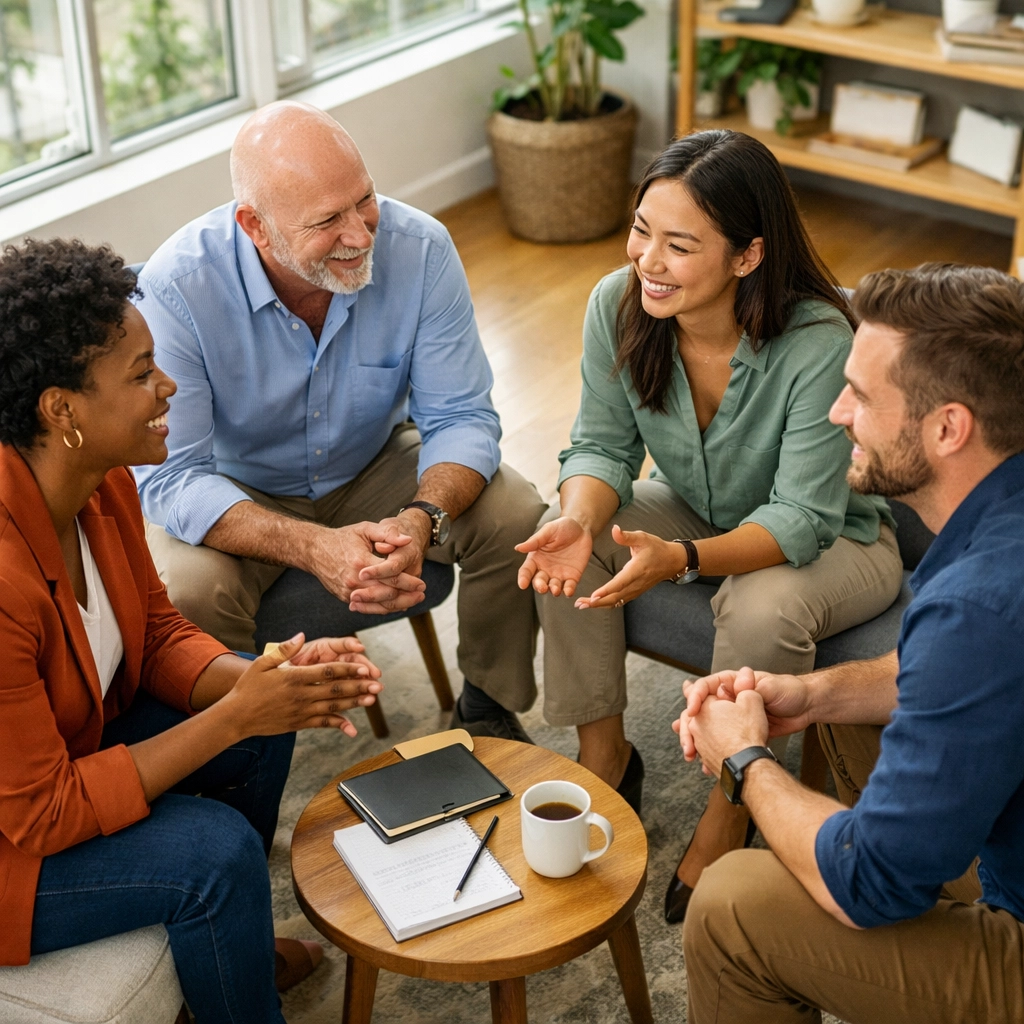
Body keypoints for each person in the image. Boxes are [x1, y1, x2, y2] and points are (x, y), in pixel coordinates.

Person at [515, 130, 903, 919]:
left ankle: (733, 810)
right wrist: (581, 518)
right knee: (568, 531)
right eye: (640, 231)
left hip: (838, 539)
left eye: (678, 245)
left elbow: (799, 518)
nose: (647, 260)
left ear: (747, 256)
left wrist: (684, 559)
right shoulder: (615, 305)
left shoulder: (818, 342)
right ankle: (604, 753)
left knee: (762, 604)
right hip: (704, 509)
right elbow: (599, 447)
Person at [0, 238, 385, 1024]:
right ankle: (226, 932)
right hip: (16, 845)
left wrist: (267, 683)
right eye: (142, 375)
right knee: (215, 856)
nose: (167, 385)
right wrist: (236, 712)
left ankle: (224, 950)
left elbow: (155, 633)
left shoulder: (100, 478)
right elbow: (42, 814)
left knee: (263, 723)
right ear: (61, 410)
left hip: (71, 749)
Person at [134, 100, 546, 742]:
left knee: (515, 510)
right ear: (255, 226)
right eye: (328, 220)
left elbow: (461, 415)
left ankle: (489, 704)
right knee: (185, 591)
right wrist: (312, 546)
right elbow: (170, 476)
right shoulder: (176, 289)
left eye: (365, 200)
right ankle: (240, 749)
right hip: (240, 488)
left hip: (373, 464)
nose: (360, 234)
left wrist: (419, 519)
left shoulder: (422, 249)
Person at [679, 262, 1024, 1024]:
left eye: (862, 396)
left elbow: (867, 885)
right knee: (849, 706)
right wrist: (815, 692)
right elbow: (983, 673)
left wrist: (744, 763)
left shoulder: (980, 602)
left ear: (947, 428)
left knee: (735, 903)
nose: (838, 413)